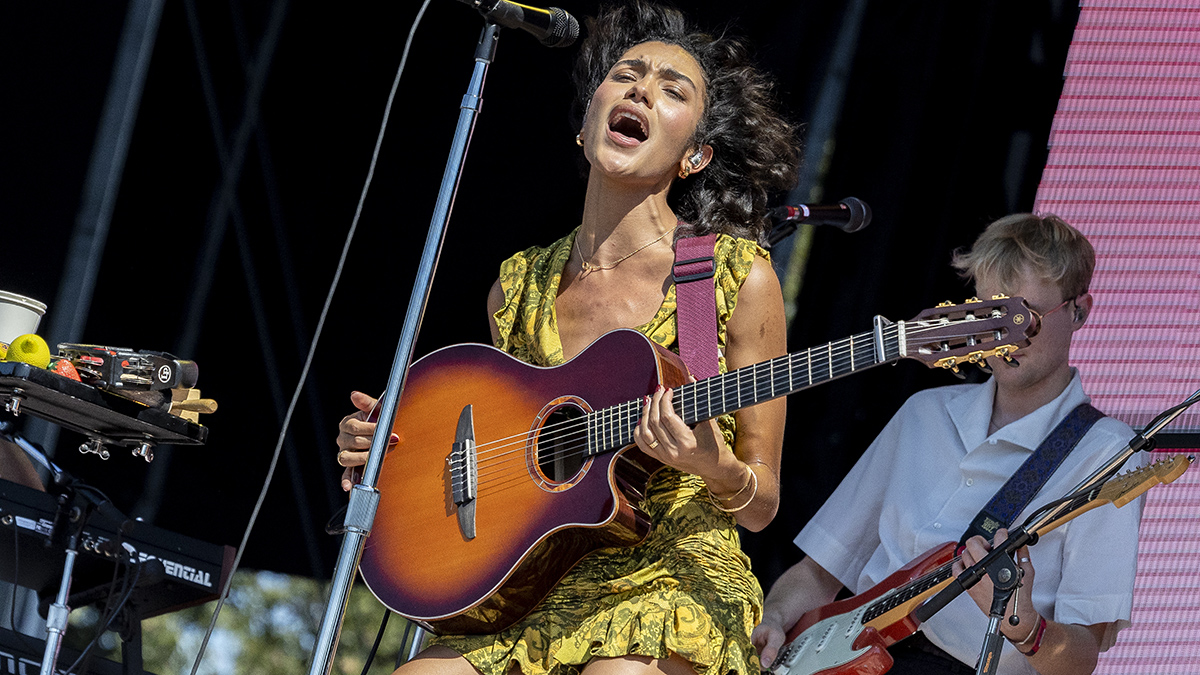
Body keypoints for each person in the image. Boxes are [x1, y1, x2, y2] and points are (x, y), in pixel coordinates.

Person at [336, 4, 800, 675]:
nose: (642, 89)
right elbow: (508, 443)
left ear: (695, 155)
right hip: (543, 584)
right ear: (586, 124)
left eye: (674, 90)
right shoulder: (519, 286)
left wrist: (715, 465)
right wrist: (393, 445)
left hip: (673, 580)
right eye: (626, 76)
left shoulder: (730, 277)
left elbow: (763, 500)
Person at [752, 214, 1144, 675]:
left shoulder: (1107, 452)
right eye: (990, 315)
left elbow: (1080, 659)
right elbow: (819, 573)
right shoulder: (925, 413)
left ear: (1080, 310)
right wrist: (774, 618)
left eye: (1027, 318)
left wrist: (1026, 626)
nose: (1006, 338)